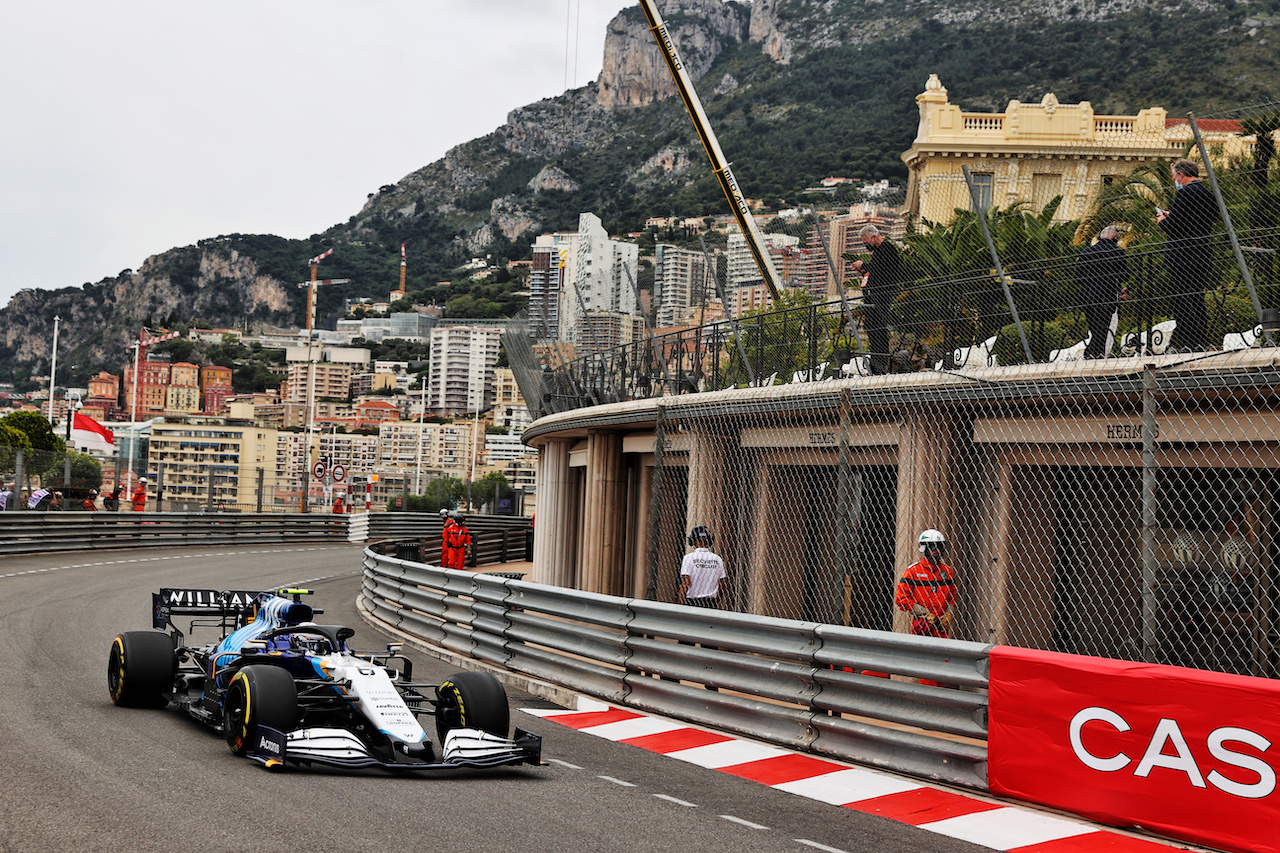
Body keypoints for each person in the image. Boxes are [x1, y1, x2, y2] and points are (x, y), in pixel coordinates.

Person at [1156, 159, 1215, 353]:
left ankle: (1188, 343)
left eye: (1175, 177)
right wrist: (1173, 215)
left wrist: (1164, 220)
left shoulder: (1184, 193)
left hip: (1182, 255)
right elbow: (1196, 220)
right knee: (1197, 298)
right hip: (1201, 252)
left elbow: (1174, 227)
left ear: (1181, 175)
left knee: (1182, 300)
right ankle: (1201, 340)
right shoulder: (1208, 194)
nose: (1175, 181)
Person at [848, 225, 903, 375]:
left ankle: (880, 361)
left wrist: (863, 265)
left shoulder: (887, 249)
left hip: (881, 296)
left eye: (866, 241)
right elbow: (874, 272)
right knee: (872, 327)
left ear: (873, 237)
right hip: (873, 297)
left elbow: (881, 271)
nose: (866, 245)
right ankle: (876, 360)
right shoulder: (878, 252)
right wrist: (863, 270)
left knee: (878, 327)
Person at [1075, 225, 1128, 359]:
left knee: (1095, 328)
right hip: (1106, 295)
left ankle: (1092, 354)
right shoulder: (1118, 252)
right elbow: (1124, 276)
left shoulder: (1085, 252)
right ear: (1115, 238)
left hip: (1087, 296)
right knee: (1103, 328)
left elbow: (1077, 278)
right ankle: (1094, 355)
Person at [895, 529, 957, 639]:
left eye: (940, 546)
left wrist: (948, 615)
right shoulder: (913, 571)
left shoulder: (947, 572)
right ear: (924, 548)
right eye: (933, 547)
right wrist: (924, 613)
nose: (937, 550)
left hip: (940, 629)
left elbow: (952, 598)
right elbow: (901, 598)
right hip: (922, 628)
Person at [679, 526, 727, 608]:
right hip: (710, 602)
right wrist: (717, 600)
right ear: (709, 541)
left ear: (692, 541)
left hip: (692, 601)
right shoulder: (717, 559)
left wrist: (680, 602)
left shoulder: (689, 558)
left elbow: (686, 583)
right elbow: (722, 584)